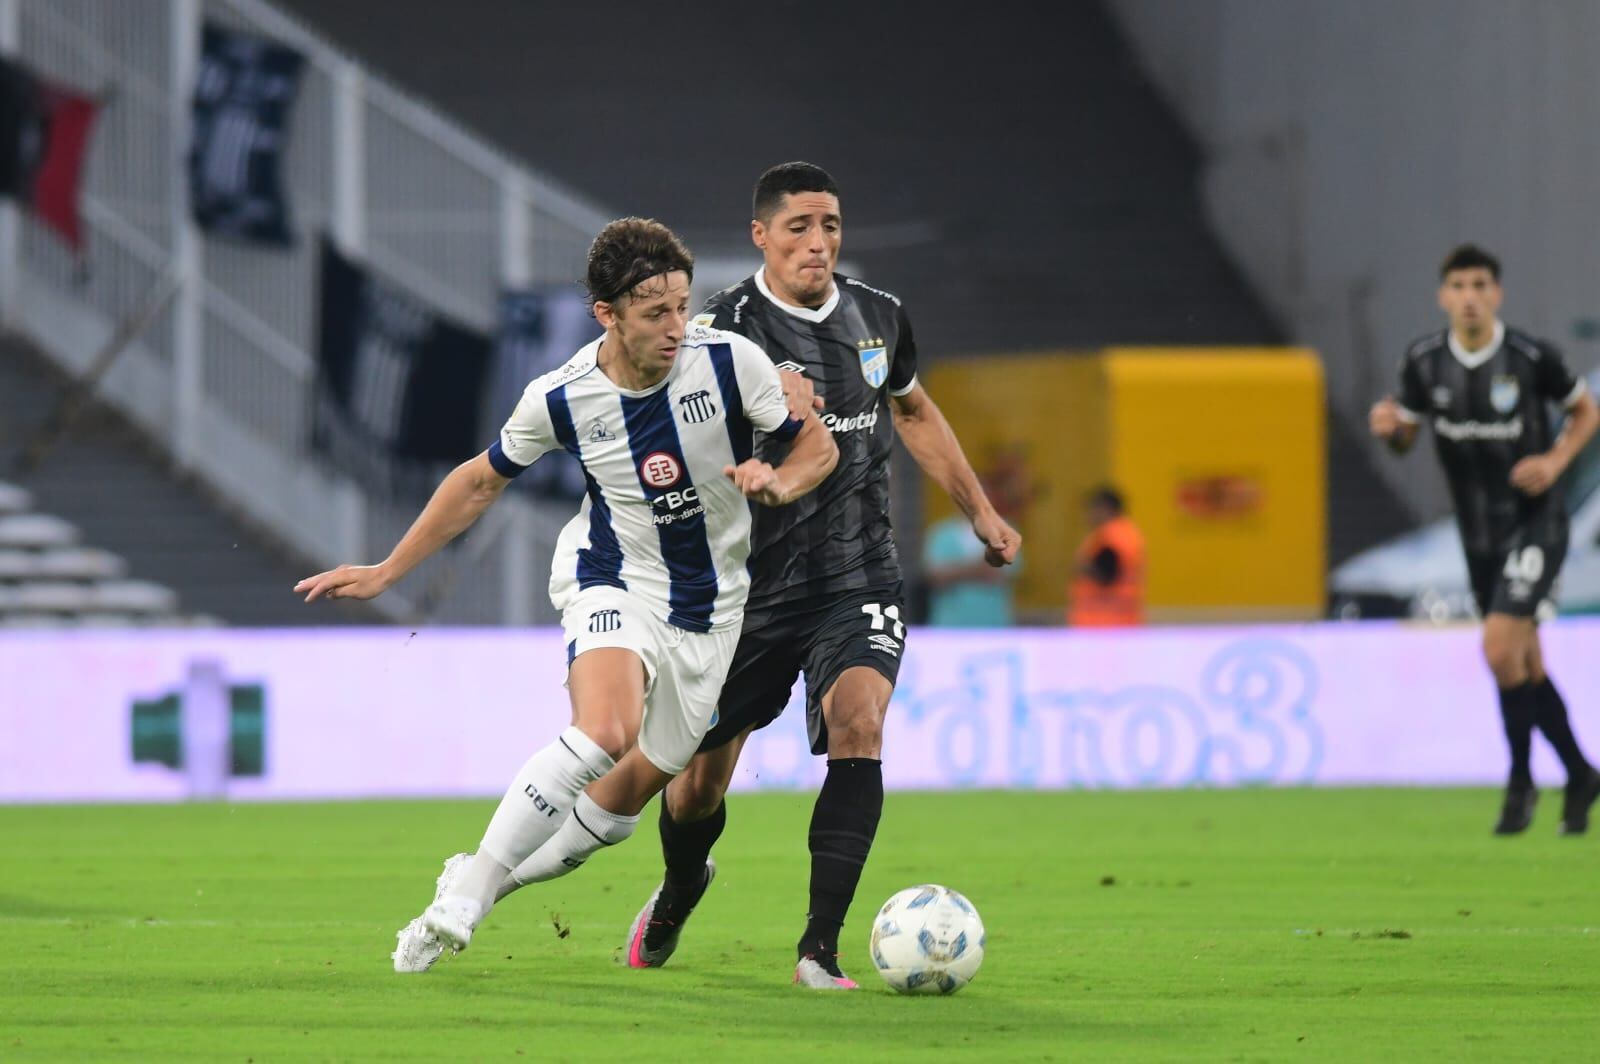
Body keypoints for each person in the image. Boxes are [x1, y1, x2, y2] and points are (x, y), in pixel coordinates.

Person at [295, 217, 838, 969]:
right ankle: (464, 899)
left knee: (612, 817)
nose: (677, 326)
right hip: (611, 577)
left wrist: (779, 478)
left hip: (712, 612)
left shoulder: (729, 363)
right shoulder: (562, 397)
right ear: (606, 316)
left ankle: (477, 883)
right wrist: (389, 569)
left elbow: (817, 442)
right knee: (602, 731)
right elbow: (480, 480)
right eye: (656, 313)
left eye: (682, 305)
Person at [615, 162, 1021, 989]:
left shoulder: (880, 317)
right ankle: (682, 885)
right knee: (697, 786)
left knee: (860, 720)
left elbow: (912, 409)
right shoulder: (722, 328)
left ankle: (820, 950)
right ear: (761, 235)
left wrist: (978, 509)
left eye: (830, 225)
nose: (818, 242)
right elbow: (671, 431)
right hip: (749, 587)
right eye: (798, 227)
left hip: (856, 575)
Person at [1369, 243, 1600, 835]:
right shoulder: (1422, 363)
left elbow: (1587, 412)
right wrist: (1391, 430)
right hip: (1478, 535)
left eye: (1480, 285)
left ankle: (1524, 782)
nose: (1469, 297)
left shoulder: (1528, 357)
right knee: (1521, 660)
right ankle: (1574, 774)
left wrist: (1554, 463)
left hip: (1536, 523)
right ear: (1443, 296)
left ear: (1496, 293)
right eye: (1458, 286)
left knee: (1498, 648)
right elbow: (1405, 438)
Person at [924, 451, 1030, 626]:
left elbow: (1000, 575)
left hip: (993, 626)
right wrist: (980, 568)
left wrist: (956, 571)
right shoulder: (941, 533)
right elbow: (937, 579)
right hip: (949, 629)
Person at [1067, 486, 1144, 627]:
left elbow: (1106, 573)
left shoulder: (1111, 536)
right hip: (1117, 621)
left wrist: (1083, 568)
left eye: (1091, 509)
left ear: (1105, 508)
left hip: (1104, 623)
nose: (1088, 515)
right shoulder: (1125, 533)